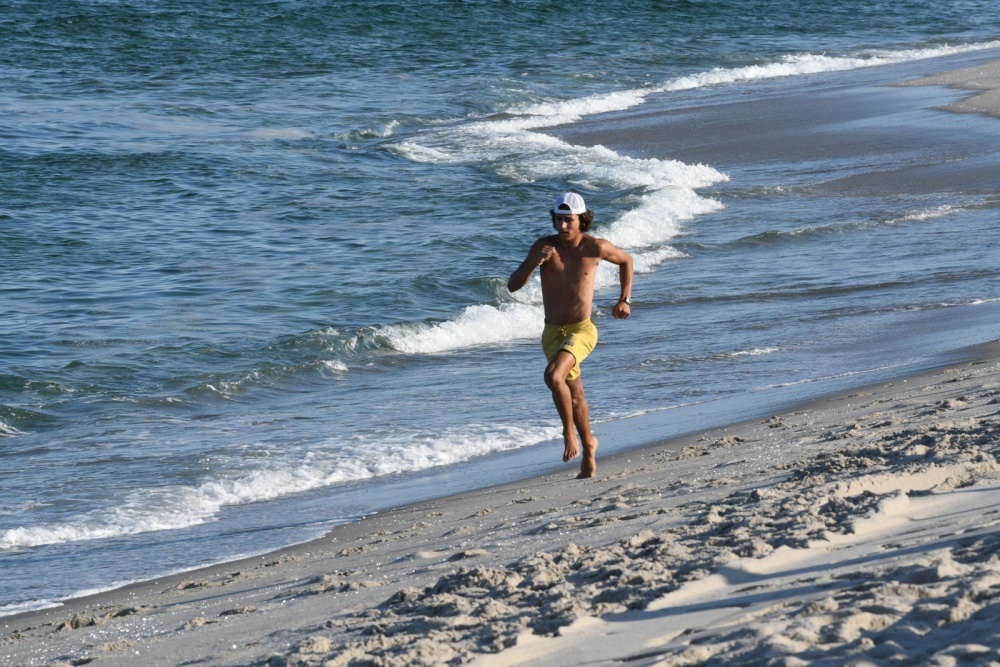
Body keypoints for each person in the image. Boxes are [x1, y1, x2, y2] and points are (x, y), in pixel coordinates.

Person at [507, 192, 633, 479]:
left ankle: (568, 434)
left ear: (581, 220)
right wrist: (534, 262)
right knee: (574, 393)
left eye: (569, 220)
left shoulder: (595, 247)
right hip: (552, 333)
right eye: (559, 220)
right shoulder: (543, 246)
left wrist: (624, 299)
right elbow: (513, 286)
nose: (563, 226)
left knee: (553, 376)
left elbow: (626, 261)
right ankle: (589, 445)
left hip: (581, 330)